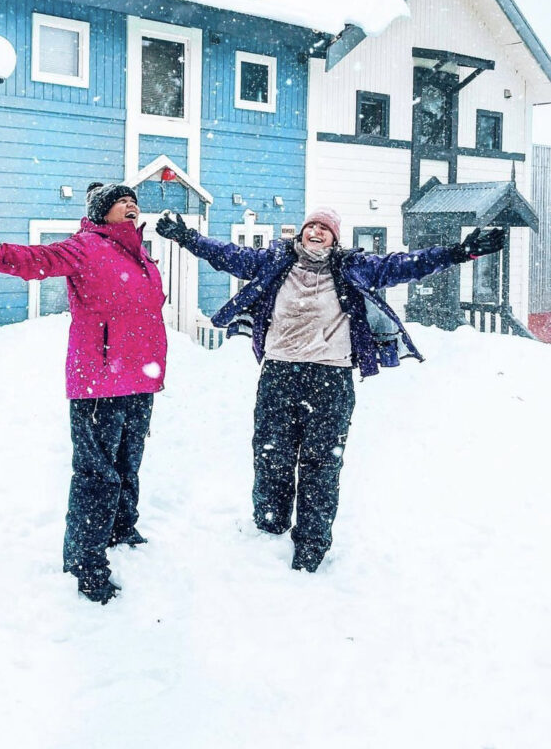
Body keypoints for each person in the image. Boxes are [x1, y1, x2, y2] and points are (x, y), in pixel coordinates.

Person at [156, 207, 504, 573]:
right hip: (279, 373)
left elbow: (406, 265)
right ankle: (269, 527)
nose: (317, 232)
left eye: (326, 228)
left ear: (335, 238)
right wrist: (187, 238)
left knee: (322, 464)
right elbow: (228, 255)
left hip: (331, 379)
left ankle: (311, 543)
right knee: (272, 454)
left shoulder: (354, 267)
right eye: (312, 226)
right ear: (302, 233)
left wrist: (462, 251)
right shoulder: (274, 262)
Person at [0, 183, 166, 604]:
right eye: (122, 201)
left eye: (134, 201)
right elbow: (34, 260)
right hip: (99, 381)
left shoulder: (143, 255)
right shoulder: (85, 247)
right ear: (102, 212)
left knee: (127, 463)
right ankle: (85, 564)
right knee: (97, 475)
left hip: (140, 380)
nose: (131, 206)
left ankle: (121, 528)